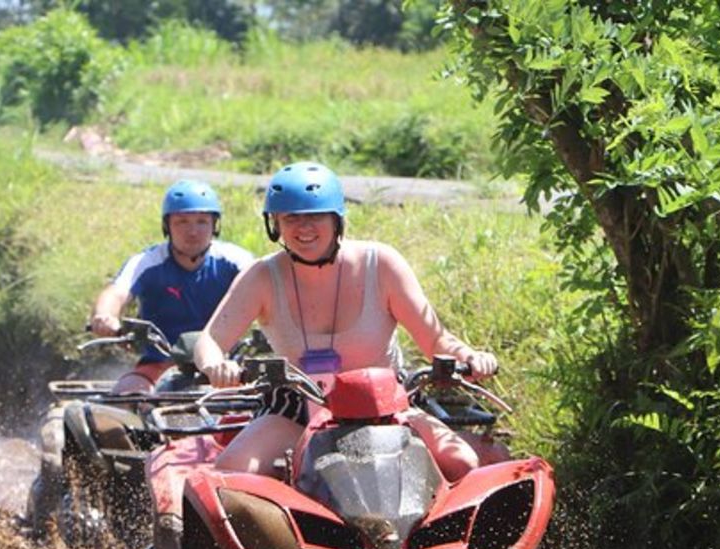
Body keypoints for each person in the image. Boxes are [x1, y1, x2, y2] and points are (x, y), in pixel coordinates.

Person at [193, 161, 497, 481]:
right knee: (233, 473)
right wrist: (216, 365)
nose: (303, 227)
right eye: (291, 217)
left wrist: (470, 357)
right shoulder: (261, 276)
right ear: (275, 224)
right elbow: (210, 340)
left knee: (461, 461)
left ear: (337, 219)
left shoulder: (381, 264)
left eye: (315, 216)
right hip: (297, 406)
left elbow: (436, 340)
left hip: (385, 402)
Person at [91, 179, 254, 393]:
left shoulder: (235, 259)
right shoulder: (147, 262)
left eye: (202, 221)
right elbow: (117, 292)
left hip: (225, 367)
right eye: (182, 222)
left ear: (215, 225)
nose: (193, 231)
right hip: (159, 363)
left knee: (262, 406)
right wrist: (105, 317)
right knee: (126, 396)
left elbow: (270, 289)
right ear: (167, 226)